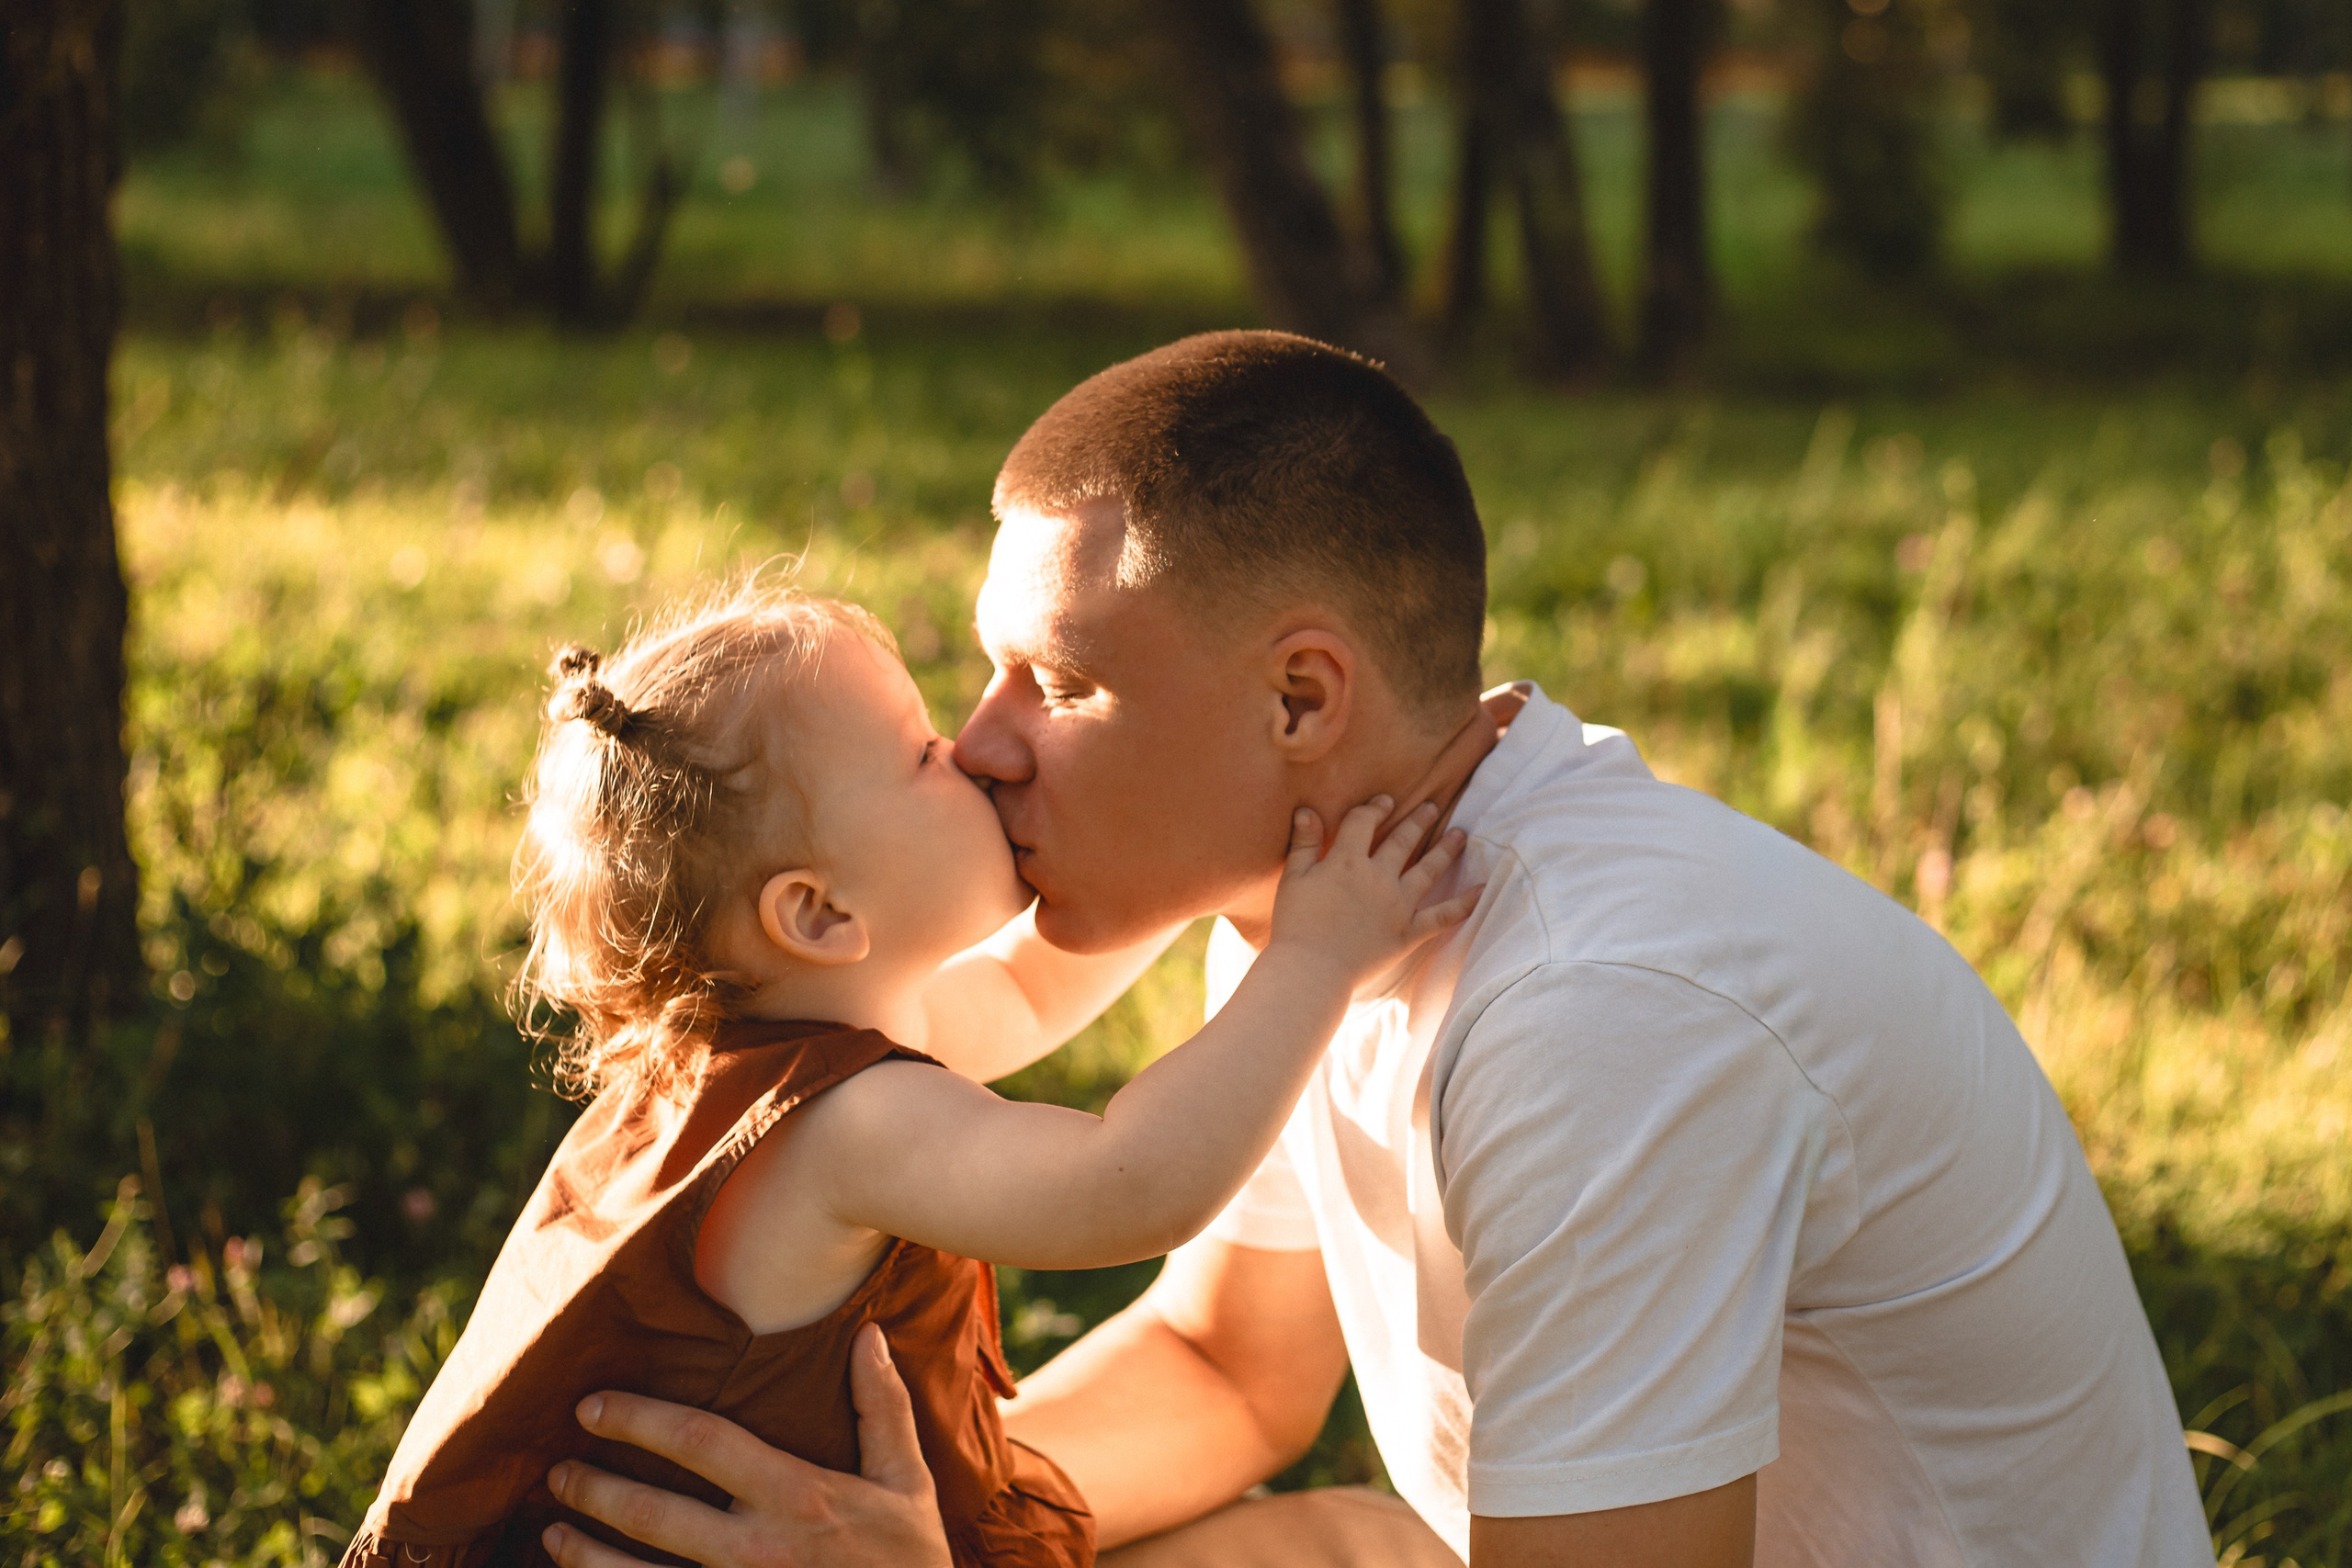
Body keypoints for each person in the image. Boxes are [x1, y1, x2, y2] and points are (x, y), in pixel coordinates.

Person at [536, 332, 2214, 1568]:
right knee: (1304, 1541)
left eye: (1054, 681)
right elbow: (1224, 1368)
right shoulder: (1325, 896)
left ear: (1300, 698)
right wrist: (886, 1518)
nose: (982, 750)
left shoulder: (1595, 1012)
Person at [338, 584, 1476, 1568]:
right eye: (924, 753)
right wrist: (1316, 957)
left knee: (1361, 1539)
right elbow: (1135, 1183)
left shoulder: (757, 1065)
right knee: (1364, 1546)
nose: (975, 753)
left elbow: (1030, 992)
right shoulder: (853, 1128)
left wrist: (1202, 836)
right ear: (823, 913)